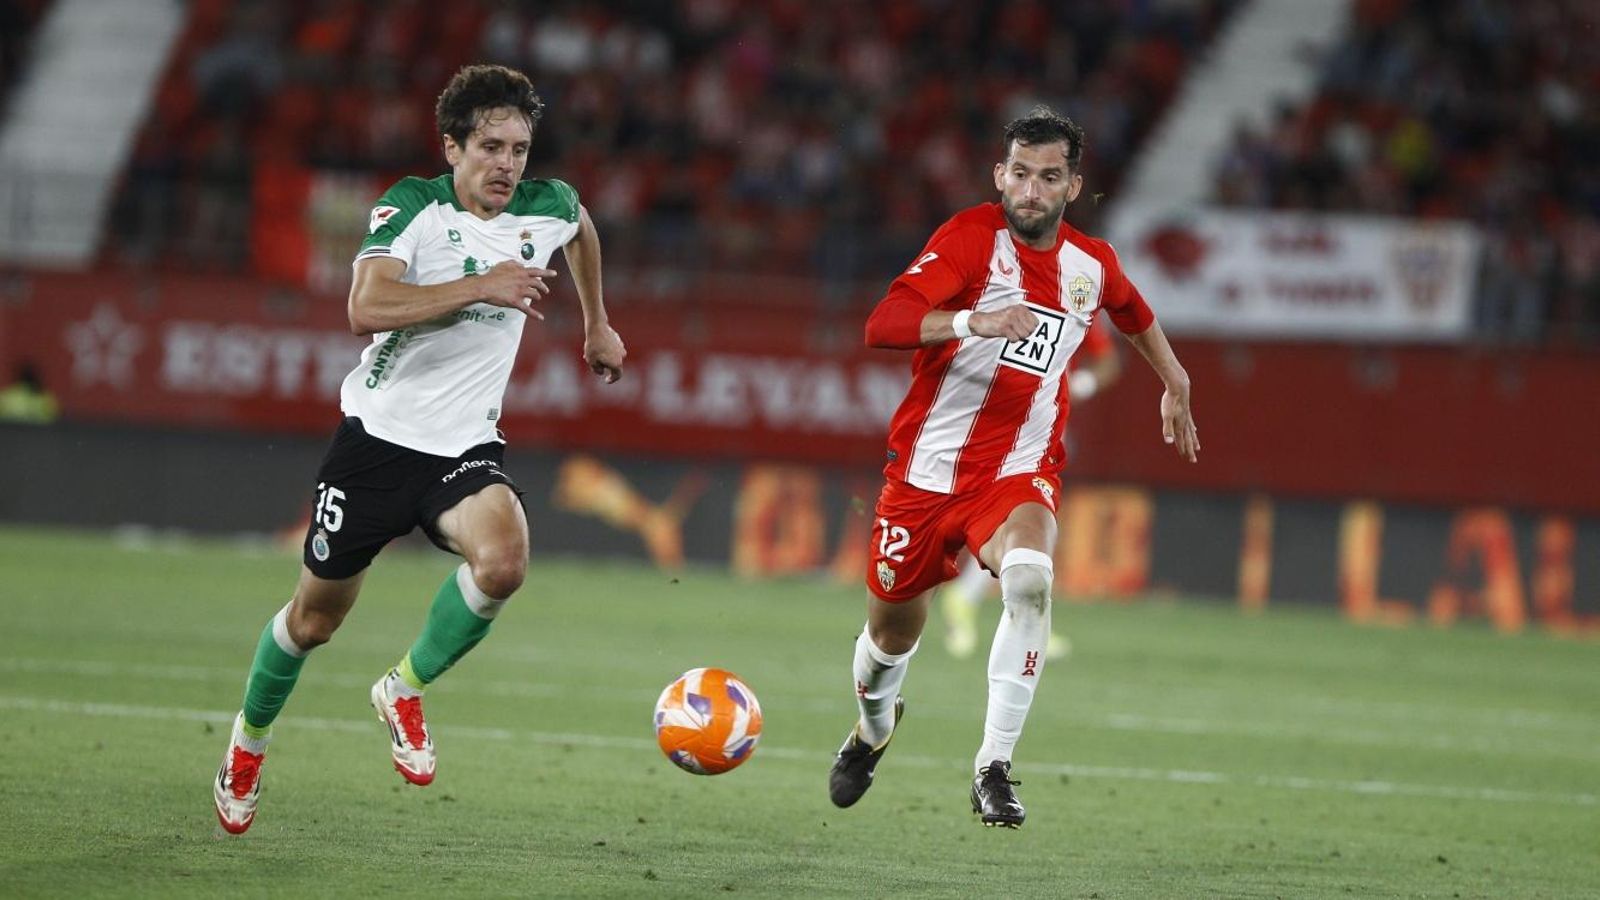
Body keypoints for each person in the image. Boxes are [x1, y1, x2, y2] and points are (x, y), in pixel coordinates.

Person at [212, 63, 626, 835]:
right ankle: (248, 741)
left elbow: (583, 231)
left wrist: (597, 323)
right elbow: (363, 308)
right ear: (453, 147)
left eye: (521, 149)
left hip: (463, 445)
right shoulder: (415, 208)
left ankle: (404, 687)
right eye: (492, 147)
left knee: (504, 561)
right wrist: (478, 286)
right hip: (374, 444)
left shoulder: (549, 207)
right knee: (313, 621)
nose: (508, 165)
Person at [829, 106, 1198, 829]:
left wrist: (1175, 379)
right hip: (924, 478)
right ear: (1001, 176)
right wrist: (975, 320)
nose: (1031, 190)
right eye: (1020, 174)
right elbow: (883, 325)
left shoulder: (1090, 267)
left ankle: (992, 768)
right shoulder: (967, 242)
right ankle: (874, 728)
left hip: (1018, 473)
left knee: (1030, 580)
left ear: (1072, 186)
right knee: (886, 644)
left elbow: (1133, 312)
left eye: (1049, 177)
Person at [937, 316, 1121, 660]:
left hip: (1044, 425)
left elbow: (1108, 362)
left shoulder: (1077, 305)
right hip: (1001, 419)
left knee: (1033, 518)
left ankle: (999, 608)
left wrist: (1078, 384)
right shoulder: (1006, 300)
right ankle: (1003, 611)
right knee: (1010, 515)